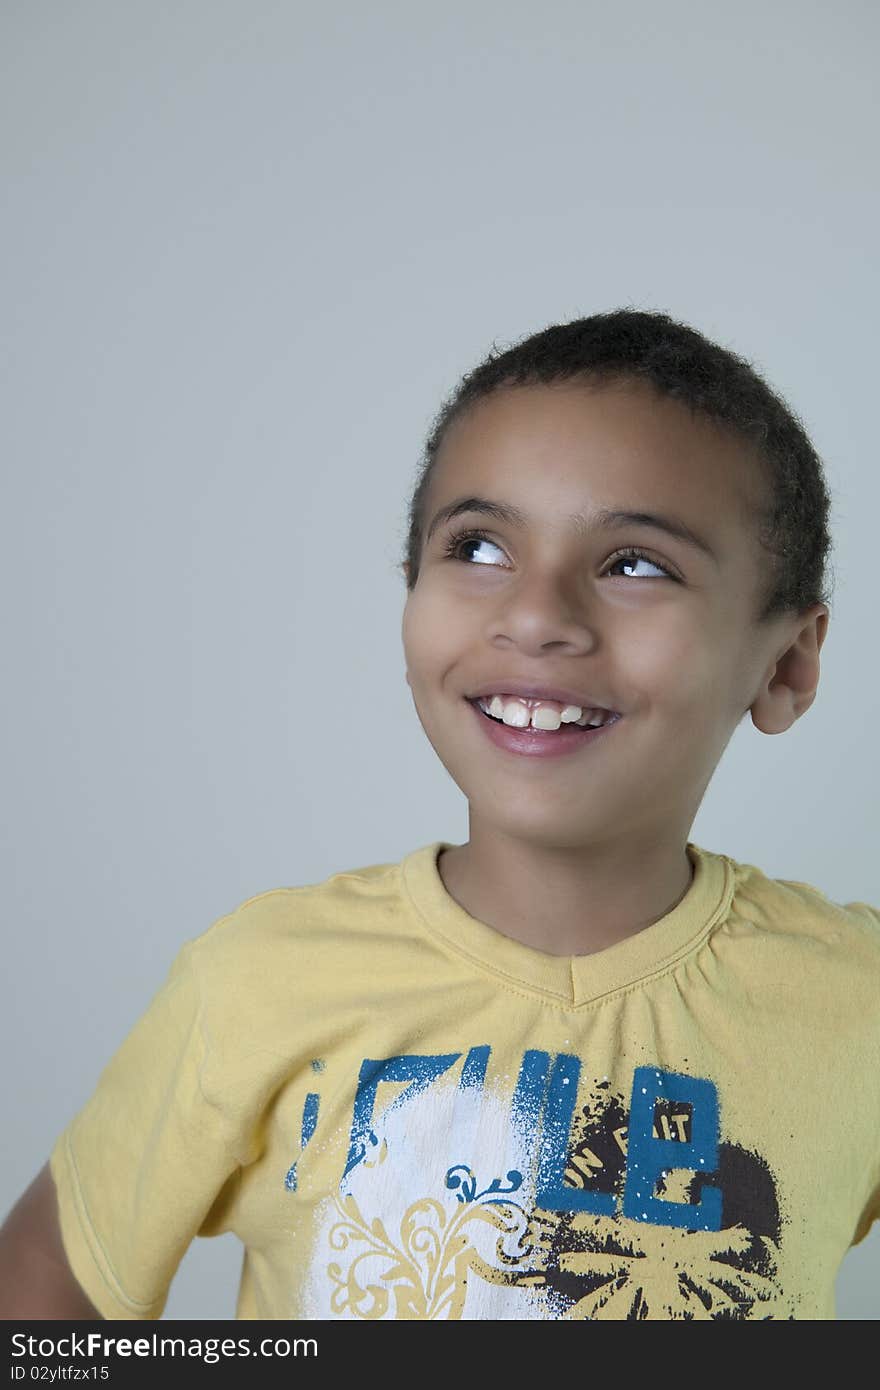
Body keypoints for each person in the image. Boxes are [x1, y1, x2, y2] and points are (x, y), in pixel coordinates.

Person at [2, 309, 877, 1322]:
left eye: (635, 563)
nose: (537, 613)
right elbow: (42, 1302)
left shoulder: (851, 1003)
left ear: (787, 660)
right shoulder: (256, 982)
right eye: (478, 546)